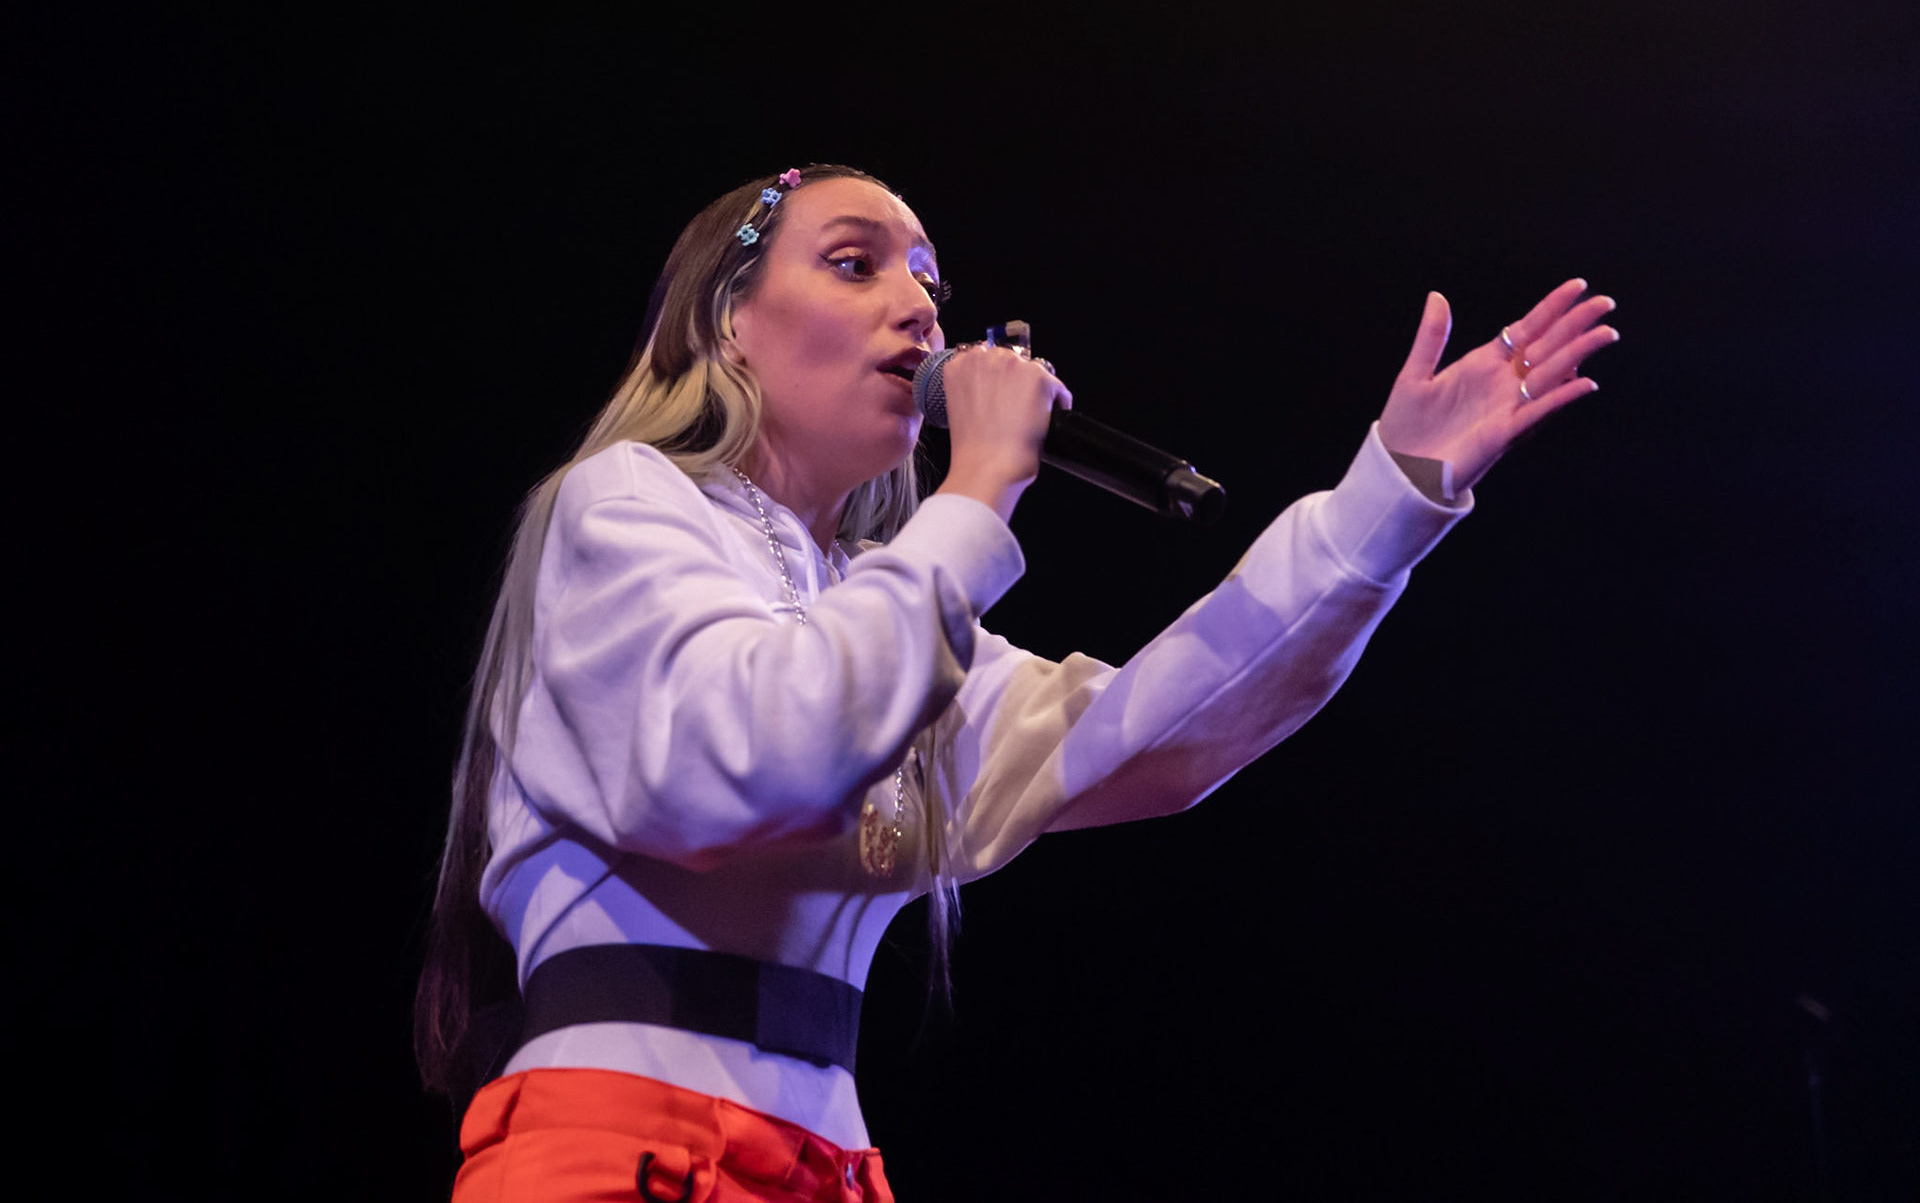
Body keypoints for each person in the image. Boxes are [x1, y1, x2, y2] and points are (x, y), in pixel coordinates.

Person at [415, 163, 1617, 1201]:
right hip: (624, 1138)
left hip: (825, 1154)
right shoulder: (627, 503)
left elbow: (1154, 736)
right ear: (728, 320)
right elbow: (749, 759)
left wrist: (1389, 496)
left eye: (931, 280)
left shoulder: (886, 598)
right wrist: (977, 490)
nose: (921, 310)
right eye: (855, 263)